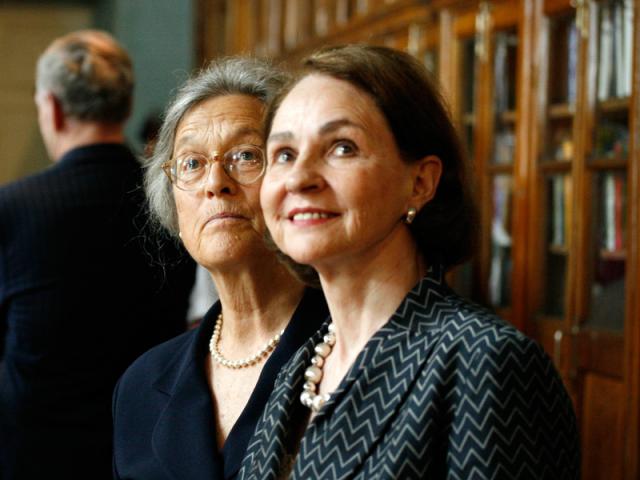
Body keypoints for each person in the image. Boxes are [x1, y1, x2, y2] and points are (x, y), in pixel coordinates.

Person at [239, 45, 580, 479]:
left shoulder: (485, 362)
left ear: (420, 182)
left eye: (342, 148)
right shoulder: (300, 366)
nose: (299, 178)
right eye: (284, 154)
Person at [112, 57, 329, 480]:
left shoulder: (356, 351)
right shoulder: (141, 385)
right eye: (192, 163)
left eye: (245, 155)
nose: (215, 182)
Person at [0, 30, 196, 479]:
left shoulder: (12, 208)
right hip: (144, 447)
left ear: (51, 108)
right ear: (126, 106)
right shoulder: (172, 199)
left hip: (34, 457)